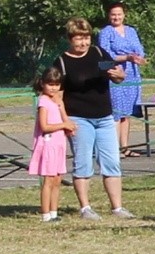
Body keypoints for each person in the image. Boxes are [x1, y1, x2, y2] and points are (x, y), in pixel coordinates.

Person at [56, 18, 131, 219]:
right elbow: (57, 95)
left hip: (105, 117)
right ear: (70, 40)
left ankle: (117, 207)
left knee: (111, 162)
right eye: (79, 39)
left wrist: (118, 74)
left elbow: (117, 74)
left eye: (86, 38)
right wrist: (65, 121)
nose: (83, 43)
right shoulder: (62, 62)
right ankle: (85, 208)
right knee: (83, 163)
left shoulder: (98, 54)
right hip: (78, 119)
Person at [97, 1, 146, 152]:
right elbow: (105, 56)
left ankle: (125, 147)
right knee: (116, 112)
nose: (116, 17)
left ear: (124, 15)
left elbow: (139, 49)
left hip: (132, 75)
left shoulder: (131, 31)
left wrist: (139, 58)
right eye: (113, 14)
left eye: (119, 14)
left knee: (127, 112)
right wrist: (125, 58)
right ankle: (114, 149)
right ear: (109, 16)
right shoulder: (106, 32)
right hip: (116, 76)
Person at [30, 67, 72, 222]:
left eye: (57, 84)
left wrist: (67, 124)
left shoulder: (56, 101)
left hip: (59, 144)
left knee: (57, 180)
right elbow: (45, 126)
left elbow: (65, 120)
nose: (54, 87)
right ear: (42, 84)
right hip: (48, 145)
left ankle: (54, 212)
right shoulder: (43, 102)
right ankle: (46, 214)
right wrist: (63, 126)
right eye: (50, 84)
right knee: (48, 181)